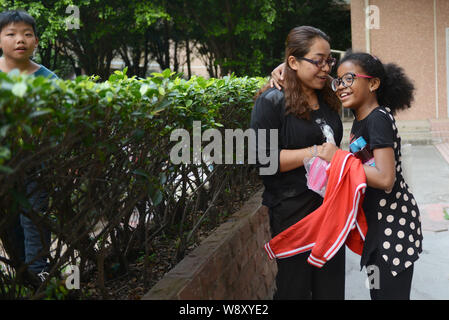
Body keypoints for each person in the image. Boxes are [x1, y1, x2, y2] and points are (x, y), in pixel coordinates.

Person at [317, 51, 423, 300]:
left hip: (393, 227)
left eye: (349, 78)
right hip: (377, 228)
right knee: (378, 293)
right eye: (339, 81)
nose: (341, 86)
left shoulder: (377, 119)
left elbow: (386, 179)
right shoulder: (360, 120)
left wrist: (339, 159)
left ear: (373, 83)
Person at [250, 26, 345, 299]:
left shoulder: (327, 96)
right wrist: (315, 151)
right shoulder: (272, 101)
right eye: (318, 60)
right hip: (293, 216)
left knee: (331, 290)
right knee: (295, 289)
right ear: (293, 61)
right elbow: (264, 159)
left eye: (329, 60)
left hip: (330, 212)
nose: (325, 67)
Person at [0, 9, 58, 283]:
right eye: (10, 34)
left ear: (36, 41)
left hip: (37, 165)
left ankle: (38, 275)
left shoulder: (48, 79)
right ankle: (22, 278)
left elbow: (60, 125)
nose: (19, 40)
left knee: (33, 218)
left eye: (27, 34)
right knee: (9, 223)